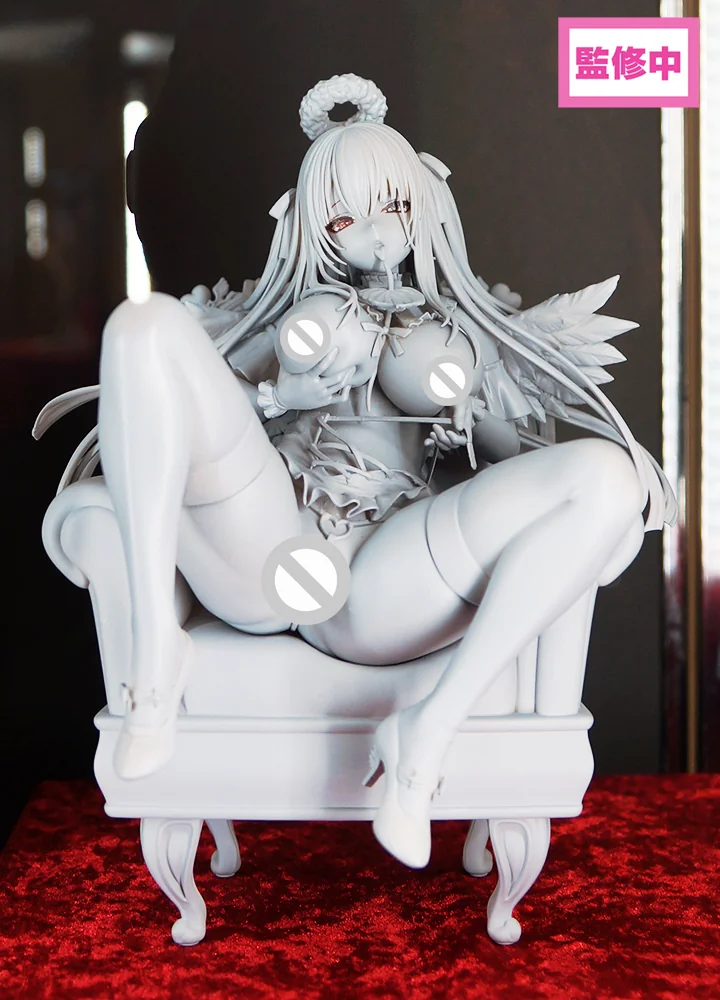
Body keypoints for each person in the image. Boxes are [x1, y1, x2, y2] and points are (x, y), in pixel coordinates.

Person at [36, 74, 675, 870]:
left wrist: (473, 415)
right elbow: (182, 409)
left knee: (608, 478)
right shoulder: (287, 315)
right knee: (143, 325)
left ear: (423, 204)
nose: (373, 234)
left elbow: (517, 457)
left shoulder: (463, 327)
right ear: (311, 225)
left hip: (388, 574)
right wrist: (281, 394)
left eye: (392, 207)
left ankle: (426, 734)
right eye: (344, 218)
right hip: (273, 545)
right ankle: (153, 665)